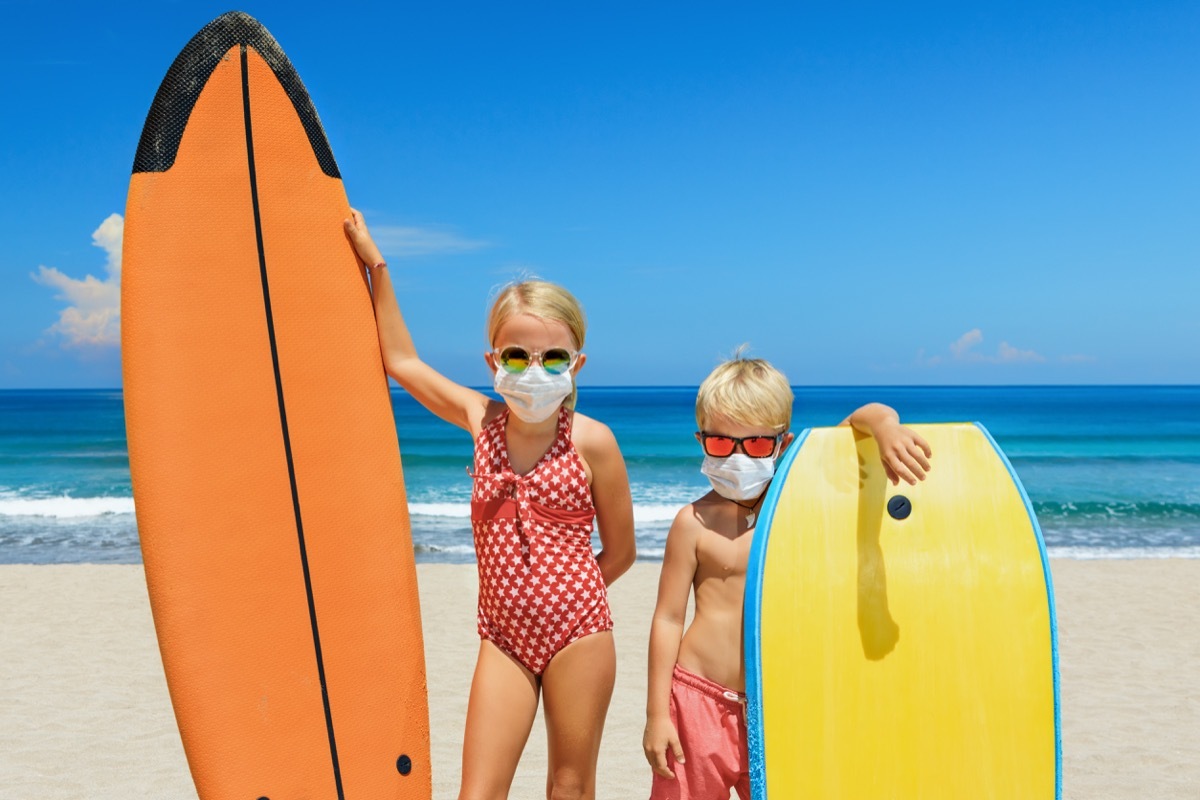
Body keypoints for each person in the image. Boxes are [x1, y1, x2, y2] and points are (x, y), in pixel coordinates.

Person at [343, 210, 637, 800]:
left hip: (578, 633)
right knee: (476, 793)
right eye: (516, 355)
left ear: (576, 364)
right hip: (501, 636)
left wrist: (566, 597)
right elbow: (401, 361)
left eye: (553, 357)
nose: (534, 370)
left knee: (570, 787)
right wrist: (376, 264)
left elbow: (623, 553)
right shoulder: (481, 422)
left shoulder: (594, 442)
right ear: (491, 362)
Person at [642, 353, 932, 800]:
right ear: (701, 440)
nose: (738, 456)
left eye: (756, 444)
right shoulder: (692, 523)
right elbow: (666, 619)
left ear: (784, 443)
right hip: (697, 698)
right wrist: (657, 713)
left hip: (779, 699)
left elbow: (864, 415)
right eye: (721, 443)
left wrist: (886, 428)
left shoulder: (797, 503)